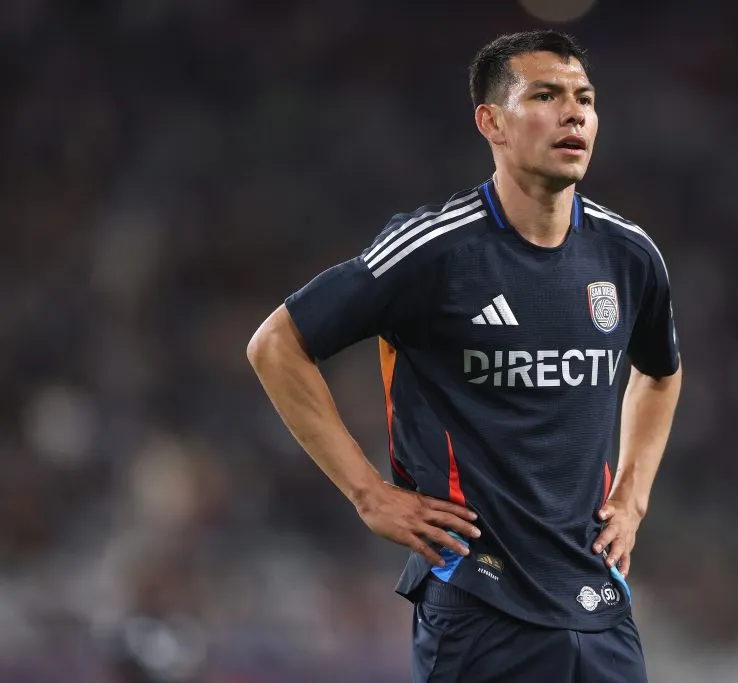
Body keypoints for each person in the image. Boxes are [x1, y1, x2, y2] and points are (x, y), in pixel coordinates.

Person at [247, 29, 682, 683]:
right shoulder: (433, 249)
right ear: (492, 122)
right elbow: (277, 344)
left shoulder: (629, 254)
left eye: (585, 98)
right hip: (480, 604)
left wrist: (634, 496)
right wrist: (368, 494)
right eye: (546, 95)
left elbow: (660, 372)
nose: (574, 114)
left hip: (599, 602)